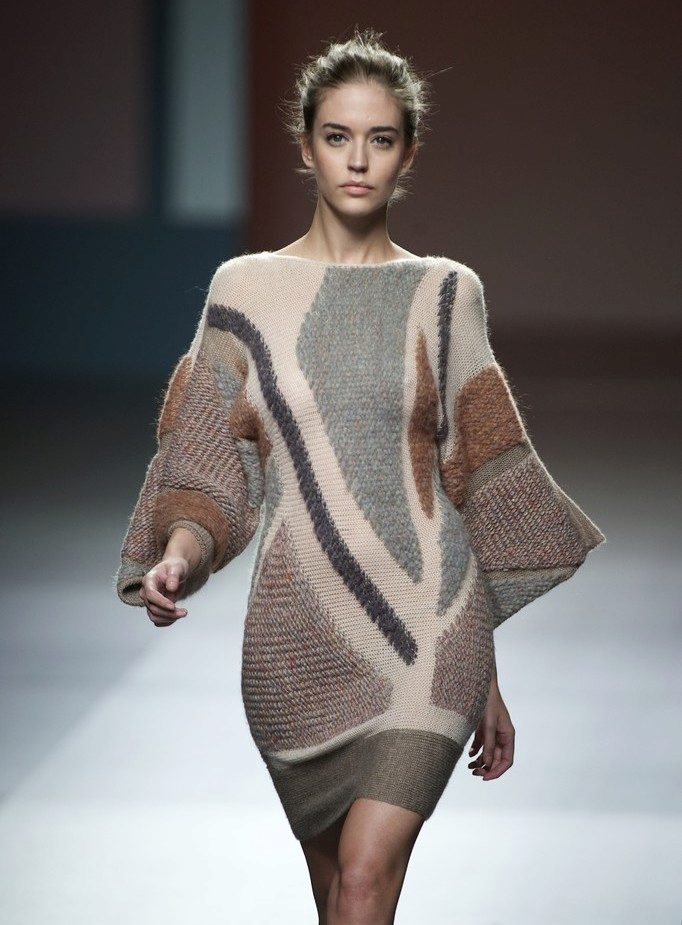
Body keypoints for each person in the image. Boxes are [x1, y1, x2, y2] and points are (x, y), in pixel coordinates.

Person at [115, 26, 606, 925]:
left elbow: (472, 480)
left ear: (407, 154)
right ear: (305, 146)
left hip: (432, 630)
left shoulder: (446, 293)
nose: (357, 159)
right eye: (337, 136)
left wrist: (484, 675)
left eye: (380, 139)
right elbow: (208, 464)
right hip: (294, 638)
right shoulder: (242, 292)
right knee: (337, 899)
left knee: (364, 880)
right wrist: (179, 554)